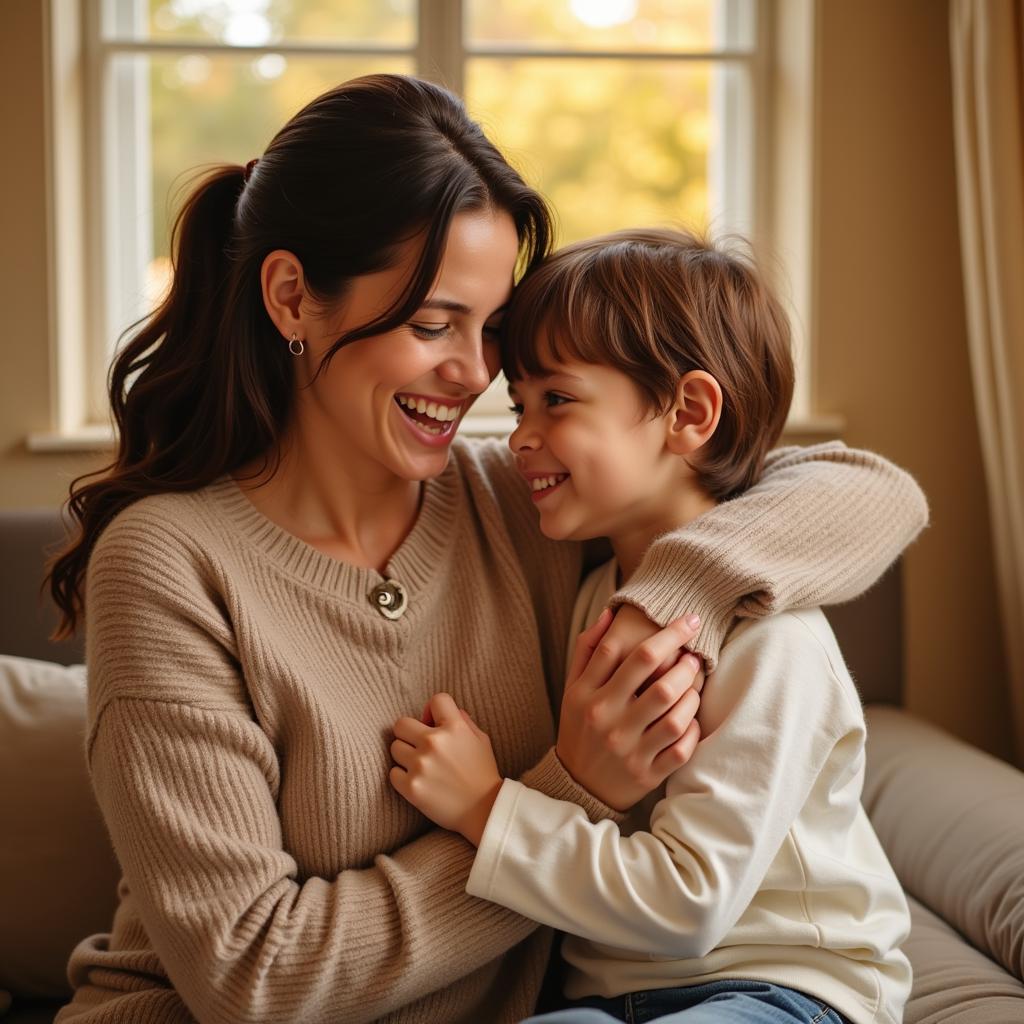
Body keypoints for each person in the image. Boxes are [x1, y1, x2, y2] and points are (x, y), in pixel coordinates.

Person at [45, 74, 925, 1024]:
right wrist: (566, 790)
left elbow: (870, 490)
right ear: (293, 297)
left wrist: (685, 592)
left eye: (491, 329)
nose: (478, 377)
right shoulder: (169, 563)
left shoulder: (522, 500)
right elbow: (258, 979)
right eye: (433, 325)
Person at [389, 229, 914, 1024]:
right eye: (518, 404)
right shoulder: (592, 589)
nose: (521, 436)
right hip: (612, 998)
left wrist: (488, 810)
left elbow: (690, 902)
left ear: (690, 412)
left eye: (557, 400)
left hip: (782, 988)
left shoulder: (775, 640)